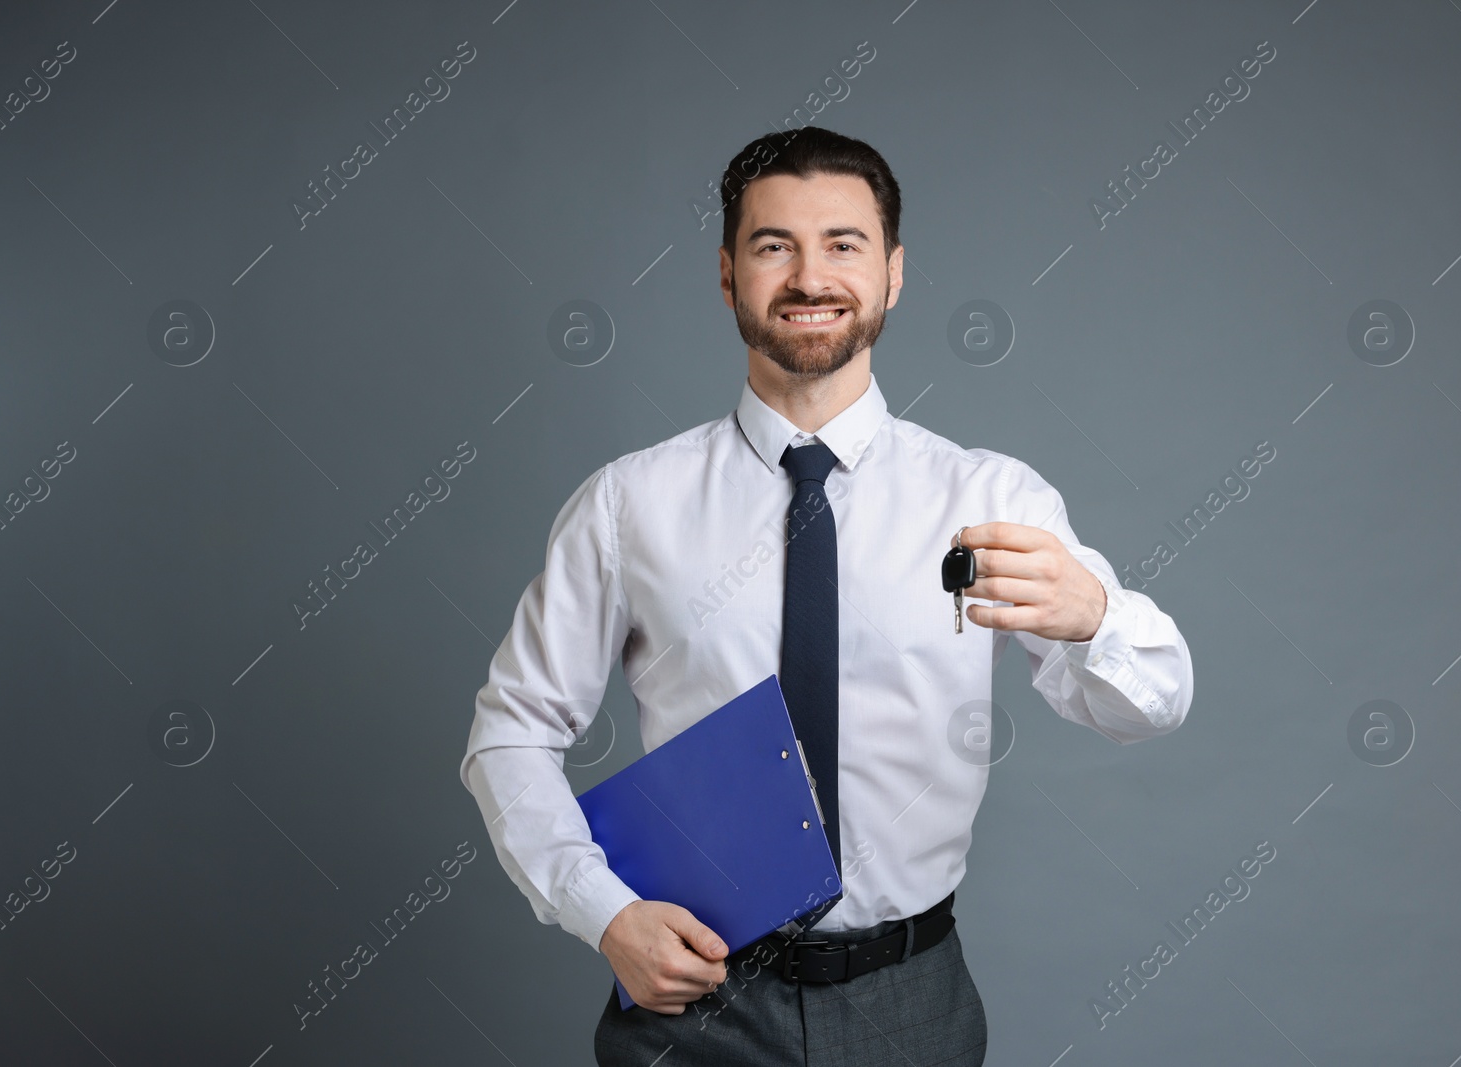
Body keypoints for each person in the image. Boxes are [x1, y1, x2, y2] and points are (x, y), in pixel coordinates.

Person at [459, 126, 1194, 1066]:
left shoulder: (992, 500)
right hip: (697, 1003)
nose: (811, 278)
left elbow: (1153, 705)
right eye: (774, 246)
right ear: (728, 275)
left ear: (893, 272)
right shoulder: (628, 504)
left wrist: (1097, 618)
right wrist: (604, 914)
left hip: (913, 1003)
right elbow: (510, 732)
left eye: (843, 244)